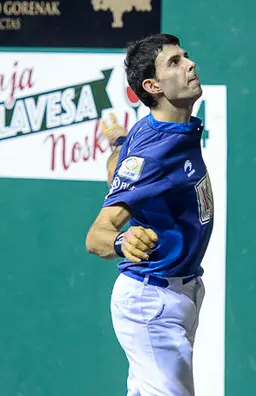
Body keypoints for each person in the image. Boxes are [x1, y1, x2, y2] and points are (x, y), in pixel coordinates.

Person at [86, 33, 213, 396]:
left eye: (186, 56)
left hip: (180, 293)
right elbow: (97, 235)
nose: (190, 64)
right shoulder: (154, 151)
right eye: (174, 62)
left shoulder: (159, 130)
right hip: (152, 300)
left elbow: (123, 174)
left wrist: (116, 145)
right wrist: (124, 240)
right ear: (152, 85)